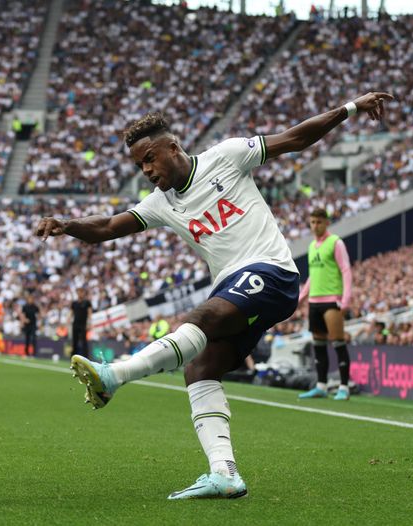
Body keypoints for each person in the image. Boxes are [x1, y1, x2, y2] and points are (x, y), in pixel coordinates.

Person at [35, 91, 393, 499]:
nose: (147, 169)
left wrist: (350, 107)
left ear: (173, 147)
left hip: (272, 272)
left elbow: (294, 138)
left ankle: (114, 375)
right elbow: (107, 228)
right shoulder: (160, 204)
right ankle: (224, 473)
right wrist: (67, 224)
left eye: (150, 158)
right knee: (199, 369)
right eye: (139, 165)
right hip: (234, 286)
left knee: (199, 319)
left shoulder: (226, 156)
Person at [297, 208, 354, 401]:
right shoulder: (312, 246)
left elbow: (346, 270)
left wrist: (345, 299)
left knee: (338, 342)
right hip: (314, 301)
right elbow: (313, 276)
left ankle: (344, 387)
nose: (315, 226)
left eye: (318, 222)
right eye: (312, 222)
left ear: (326, 222)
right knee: (318, 344)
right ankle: (321, 386)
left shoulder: (336, 242)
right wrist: (301, 297)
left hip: (332, 300)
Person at [69, 288, 93, 358]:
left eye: (81, 292)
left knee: (84, 342)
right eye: (79, 292)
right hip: (75, 324)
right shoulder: (74, 303)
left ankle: (86, 357)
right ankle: (73, 357)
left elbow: (89, 313)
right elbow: (71, 312)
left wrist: (89, 323)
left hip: (83, 324)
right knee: (74, 341)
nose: (80, 294)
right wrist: (68, 319)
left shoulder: (87, 303)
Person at [20, 292, 40, 357]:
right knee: (27, 339)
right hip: (27, 325)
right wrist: (24, 320)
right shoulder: (25, 306)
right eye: (30, 299)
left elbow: (39, 314)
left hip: (33, 325)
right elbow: (22, 315)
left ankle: (34, 353)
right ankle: (27, 352)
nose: (31, 300)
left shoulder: (35, 307)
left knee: (34, 338)